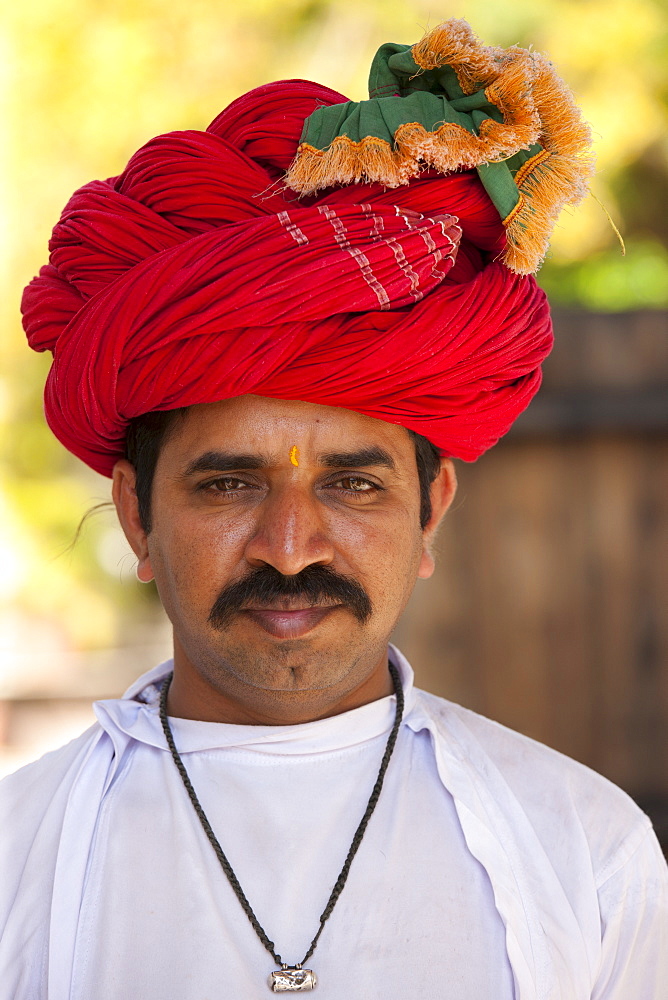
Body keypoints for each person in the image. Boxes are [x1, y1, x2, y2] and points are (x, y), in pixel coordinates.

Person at [2, 18, 666, 999]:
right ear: (135, 514)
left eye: (352, 484)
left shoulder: (583, 851)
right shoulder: (16, 856)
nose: (288, 544)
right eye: (228, 483)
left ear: (430, 512)